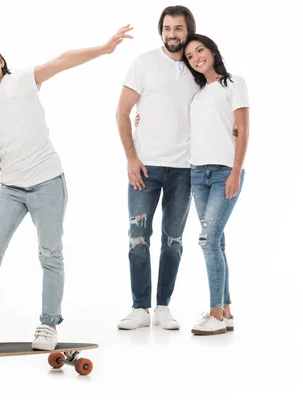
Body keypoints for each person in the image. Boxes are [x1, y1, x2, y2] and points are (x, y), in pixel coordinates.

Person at [0, 26, 133, 353]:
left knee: (50, 254)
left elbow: (61, 61)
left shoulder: (21, 80)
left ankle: (48, 325)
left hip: (48, 184)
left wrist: (103, 49)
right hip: (12, 191)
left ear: (1, 59)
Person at [116, 5, 198, 331]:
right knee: (138, 238)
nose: (172, 34)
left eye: (178, 28)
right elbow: (122, 112)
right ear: (161, 30)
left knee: (174, 240)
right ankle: (139, 308)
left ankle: (163, 306)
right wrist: (131, 157)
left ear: (188, 31)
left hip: (186, 169)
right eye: (167, 28)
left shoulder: (199, 66)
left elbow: (216, 105)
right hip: (146, 167)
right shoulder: (145, 63)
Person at [182, 34, 249, 335]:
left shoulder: (234, 84)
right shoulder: (197, 95)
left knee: (208, 240)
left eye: (200, 50)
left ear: (211, 50)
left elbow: (244, 130)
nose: (196, 57)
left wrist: (236, 171)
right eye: (190, 55)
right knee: (216, 241)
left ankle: (215, 315)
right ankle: (227, 311)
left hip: (224, 172)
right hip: (197, 173)